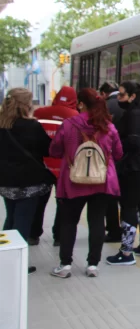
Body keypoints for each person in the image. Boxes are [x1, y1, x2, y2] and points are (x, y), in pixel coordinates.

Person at [49, 89, 122, 278]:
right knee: (97, 221)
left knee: (69, 222)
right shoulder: (108, 126)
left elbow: (55, 150)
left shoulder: (68, 125)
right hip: (102, 181)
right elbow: (119, 153)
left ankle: (65, 265)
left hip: (73, 181)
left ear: (81, 104)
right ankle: (92, 265)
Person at [0, 88, 54, 274]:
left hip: (5, 181)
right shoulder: (32, 126)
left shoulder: (1, 124)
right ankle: (16, 265)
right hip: (29, 182)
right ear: (25, 104)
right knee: (22, 221)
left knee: (11, 217)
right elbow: (48, 149)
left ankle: (4, 256)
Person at [107, 81, 140, 266]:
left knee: (128, 205)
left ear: (132, 96)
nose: (118, 98)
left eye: (121, 95)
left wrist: (117, 150)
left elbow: (133, 141)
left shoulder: (133, 114)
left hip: (134, 166)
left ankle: (126, 252)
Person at [30, 86, 79, 246]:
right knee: (63, 202)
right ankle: (59, 236)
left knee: (38, 201)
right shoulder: (75, 116)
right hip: (64, 166)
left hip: (42, 164)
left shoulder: (39, 113)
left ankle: (33, 234)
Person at [99, 81, 123, 243]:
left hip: (109, 159)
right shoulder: (128, 105)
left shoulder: (105, 107)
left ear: (104, 94)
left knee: (109, 198)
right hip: (127, 158)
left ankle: (113, 230)